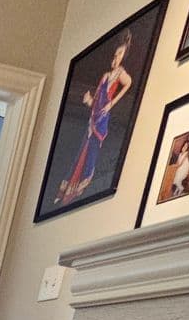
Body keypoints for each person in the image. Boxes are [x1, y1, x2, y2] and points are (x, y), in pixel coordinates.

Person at [56, 33, 133, 206]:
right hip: (94, 115)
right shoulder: (106, 75)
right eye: (115, 54)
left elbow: (129, 83)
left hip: (102, 117)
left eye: (120, 54)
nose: (116, 57)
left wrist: (111, 104)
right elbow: (96, 100)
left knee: (91, 151)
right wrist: (89, 100)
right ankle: (68, 189)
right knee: (81, 150)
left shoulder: (121, 73)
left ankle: (82, 184)